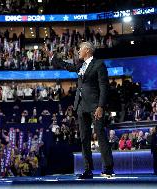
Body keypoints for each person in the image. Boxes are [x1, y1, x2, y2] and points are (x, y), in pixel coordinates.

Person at [43, 41, 114, 179]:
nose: (78, 51)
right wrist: (53, 58)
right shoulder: (81, 65)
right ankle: (88, 169)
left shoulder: (99, 64)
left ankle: (108, 168)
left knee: (101, 136)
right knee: (84, 139)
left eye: (80, 49)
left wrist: (101, 106)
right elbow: (68, 66)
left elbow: (104, 87)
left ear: (87, 50)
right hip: (81, 106)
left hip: (95, 106)